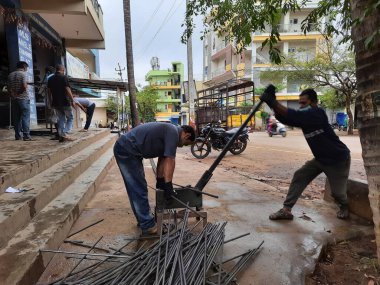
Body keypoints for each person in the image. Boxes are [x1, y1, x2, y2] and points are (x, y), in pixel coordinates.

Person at [260, 85, 351, 220]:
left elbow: (294, 115)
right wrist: (272, 103)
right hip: (320, 159)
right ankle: (286, 210)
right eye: (300, 103)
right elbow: (287, 118)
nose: (301, 106)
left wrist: (273, 102)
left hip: (337, 160)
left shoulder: (317, 113)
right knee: (300, 176)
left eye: (304, 103)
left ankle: (344, 206)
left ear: (314, 103)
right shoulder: (304, 117)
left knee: (337, 194)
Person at [113, 122, 196, 235]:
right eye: (186, 143)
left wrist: (160, 181)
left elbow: (162, 159)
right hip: (126, 149)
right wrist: (168, 186)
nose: (183, 146)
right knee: (138, 188)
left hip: (128, 149)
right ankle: (147, 226)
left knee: (137, 187)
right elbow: (170, 160)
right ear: (186, 135)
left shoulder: (170, 132)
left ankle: (143, 220)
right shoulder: (173, 133)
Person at [47, 64, 75, 142]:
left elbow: (49, 92)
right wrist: (72, 100)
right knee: (70, 118)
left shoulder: (50, 79)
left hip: (55, 102)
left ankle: (62, 134)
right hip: (65, 102)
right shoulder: (64, 77)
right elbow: (67, 89)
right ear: (63, 70)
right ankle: (64, 133)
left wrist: (50, 101)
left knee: (61, 119)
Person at [7, 61, 32, 141]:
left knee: (16, 118)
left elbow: (8, 87)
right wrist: (18, 93)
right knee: (25, 117)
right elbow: (24, 86)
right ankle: (26, 136)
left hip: (14, 99)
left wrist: (13, 95)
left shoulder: (10, 75)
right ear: (24, 67)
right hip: (23, 98)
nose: (26, 69)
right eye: (26, 67)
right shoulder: (23, 74)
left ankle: (17, 136)